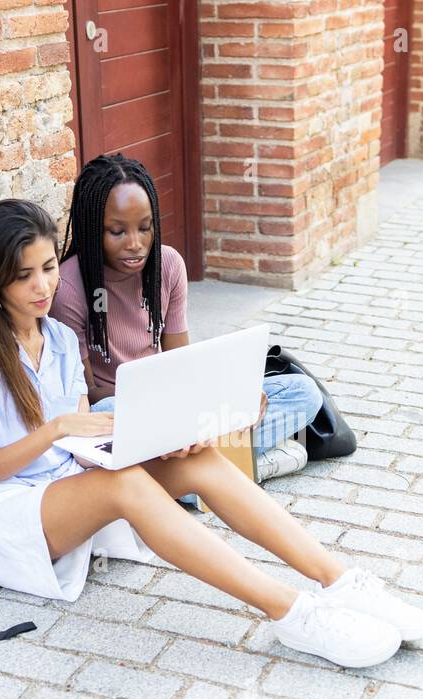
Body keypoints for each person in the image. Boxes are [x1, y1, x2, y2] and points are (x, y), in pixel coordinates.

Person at [0, 199, 423, 669]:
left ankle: (340, 581)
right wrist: (56, 429)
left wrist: (158, 439)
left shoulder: (55, 336)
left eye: (50, 268)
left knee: (199, 459)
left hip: (58, 488)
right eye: (23, 276)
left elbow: (83, 446)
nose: (43, 287)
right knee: (122, 486)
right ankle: (293, 614)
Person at [51, 152, 323, 482]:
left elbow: (182, 362)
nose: (136, 244)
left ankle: (194, 477)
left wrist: (223, 399)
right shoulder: (69, 287)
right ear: (92, 228)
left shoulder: (168, 265)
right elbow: (85, 393)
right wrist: (165, 417)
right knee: (103, 415)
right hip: (121, 412)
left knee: (302, 392)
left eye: (145, 227)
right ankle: (237, 470)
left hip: (174, 404)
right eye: (117, 232)